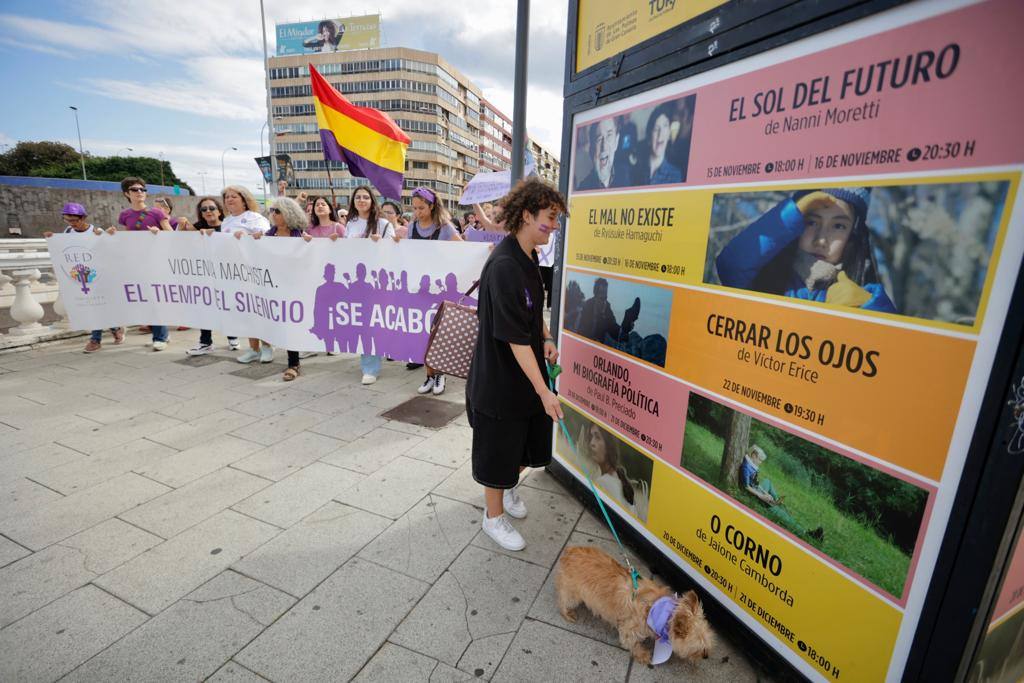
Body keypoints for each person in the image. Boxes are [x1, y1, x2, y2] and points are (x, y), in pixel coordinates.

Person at [466, 178, 567, 551]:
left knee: (524, 443)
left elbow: (531, 308)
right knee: (499, 447)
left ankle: (508, 488)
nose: (554, 226)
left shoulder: (529, 256)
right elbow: (511, 336)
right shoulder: (505, 265)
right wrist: (544, 392)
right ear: (526, 215)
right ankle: (492, 517)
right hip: (501, 377)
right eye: (550, 217)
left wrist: (546, 337)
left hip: (525, 371)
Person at [715, 188, 897, 313]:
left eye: (839, 226)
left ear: (853, 236)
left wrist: (867, 308)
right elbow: (729, 267)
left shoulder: (862, 296)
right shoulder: (765, 276)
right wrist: (789, 213)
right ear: (796, 223)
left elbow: (896, 354)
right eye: (811, 222)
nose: (821, 239)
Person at [44, 202, 125, 353]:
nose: (72, 223)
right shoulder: (68, 231)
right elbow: (64, 250)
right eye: (68, 220)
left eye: (74, 220)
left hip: (99, 276)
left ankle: (95, 340)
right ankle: (115, 328)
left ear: (83, 218)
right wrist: (52, 239)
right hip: (80, 276)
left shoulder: (95, 231)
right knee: (95, 307)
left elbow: (108, 250)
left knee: (96, 307)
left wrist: (107, 237)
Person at [408, 186, 463, 395]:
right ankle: (429, 375)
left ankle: (440, 374)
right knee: (424, 334)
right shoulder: (412, 227)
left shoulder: (445, 228)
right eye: (414, 208)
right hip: (419, 289)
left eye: (421, 208)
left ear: (432, 206)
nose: (417, 212)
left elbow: (464, 249)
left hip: (440, 290)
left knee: (437, 333)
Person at [344, 185, 398, 385]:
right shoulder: (351, 224)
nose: (361, 200)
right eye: (357, 197)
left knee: (376, 323)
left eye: (365, 197)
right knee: (364, 324)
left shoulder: (383, 224)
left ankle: (377, 359)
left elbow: (394, 249)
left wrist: (381, 243)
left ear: (371, 201)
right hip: (357, 282)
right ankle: (369, 366)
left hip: (377, 282)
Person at [253, 197, 309, 381]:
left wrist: (310, 244)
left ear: (289, 213)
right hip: (273, 287)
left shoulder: (300, 236)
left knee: (291, 325)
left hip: (295, 288)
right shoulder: (267, 236)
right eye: (272, 211)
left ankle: (293, 363)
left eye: (277, 211)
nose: (273, 214)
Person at [115, 177, 173, 350]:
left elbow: (171, 234)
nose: (140, 192)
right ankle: (162, 334)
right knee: (147, 298)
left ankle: (160, 337)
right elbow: (128, 237)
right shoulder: (125, 215)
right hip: (137, 262)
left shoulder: (156, 213)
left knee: (156, 298)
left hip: (156, 260)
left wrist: (158, 233)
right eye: (134, 189)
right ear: (127, 194)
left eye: (142, 189)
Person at [222, 185, 274, 363]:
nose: (230, 199)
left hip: (256, 270)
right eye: (227, 197)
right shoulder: (226, 221)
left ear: (244, 200)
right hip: (236, 272)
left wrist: (249, 236)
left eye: (234, 196)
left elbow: (267, 236)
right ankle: (253, 348)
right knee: (247, 311)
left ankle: (267, 347)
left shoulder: (255, 218)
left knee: (260, 310)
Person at [182, 197, 239, 355]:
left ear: (219, 210)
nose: (208, 211)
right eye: (204, 209)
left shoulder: (229, 225)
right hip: (205, 275)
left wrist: (212, 234)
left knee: (226, 306)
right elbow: (178, 242)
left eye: (211, 208)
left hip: (227, 274)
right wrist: (182, 226)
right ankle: (205, 341)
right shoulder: (197, 227)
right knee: (205, 307)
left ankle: (232, 336)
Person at [740, 446, 824, 542]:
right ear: (754, 456)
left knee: (767, 481)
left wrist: (764, 492)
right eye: (759, 460)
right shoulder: (746, 467)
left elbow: (756, 483)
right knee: (782, 514)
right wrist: (761, 495)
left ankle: (775, 501)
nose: (760, 463)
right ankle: (806, 533)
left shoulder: (752, 465)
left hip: (757, 490)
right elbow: (746, 487)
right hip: (754, 495)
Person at [576, 421, 649, 519]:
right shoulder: (618, 477)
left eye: (597, 437)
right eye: (591, 437)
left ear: (608, 445)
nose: (591, 443)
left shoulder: (603, 482)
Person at [576, 118, 631, 191]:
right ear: (591, 149)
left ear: (616, 142)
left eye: (609, 136)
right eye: (599, 139)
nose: (604, 147)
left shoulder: (628, 178)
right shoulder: (583, 189)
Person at [636, 102, 683, 185]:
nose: (660, 134)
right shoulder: (636, 170)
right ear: (649, 135)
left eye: (665, 127)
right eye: (656, 129)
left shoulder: (675, 175)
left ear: (669, 134)